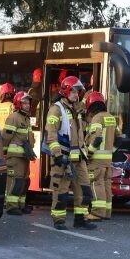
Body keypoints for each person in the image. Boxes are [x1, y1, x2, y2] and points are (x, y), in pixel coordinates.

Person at [44, 76, 96, 230]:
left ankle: (81, 219)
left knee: (84, 189)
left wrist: (86, 115)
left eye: (78, 91)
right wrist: (58, 155)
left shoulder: (77, 109)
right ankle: (58, 220)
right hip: (64, 157)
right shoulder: (56, 109)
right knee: (61, 191)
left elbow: (82, 131)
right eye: (73, 91)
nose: (76, 94)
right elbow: (51, 134)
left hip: (79, 157)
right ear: (66, 91)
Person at [84, 92, 117, 220]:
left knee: (96, 184)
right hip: (108, 161)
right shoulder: (111, 117)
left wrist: (89, 153)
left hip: (96, 160)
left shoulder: (97, 118)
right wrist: (110, 152)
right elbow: (119, 139)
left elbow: (96, 139)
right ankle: (107, 212)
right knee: (106, 185)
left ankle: (97, 213)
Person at [1, 91, 35, 216]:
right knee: (16, 181)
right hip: (15, 157)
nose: (27, 105)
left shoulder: (26, 118)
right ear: (18, 103)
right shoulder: (14, 117)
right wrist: (4, 152)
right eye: (24, 102)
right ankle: (11, 206)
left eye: (28, 103)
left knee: (25, 181)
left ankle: (21, 204)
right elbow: (6, 137)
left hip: (24, 156)